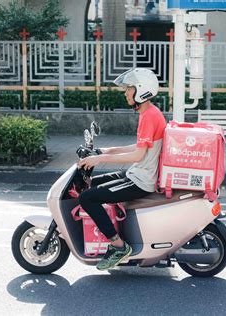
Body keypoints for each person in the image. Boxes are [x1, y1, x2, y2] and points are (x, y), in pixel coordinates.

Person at [77, 68, 167, 270]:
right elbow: (139, 147)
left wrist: (101, 159)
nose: (125, 93)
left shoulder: (149, 116)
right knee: (95, 183)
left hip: (141, 180)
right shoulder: (150, 113)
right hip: (138, 173)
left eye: (129, 89)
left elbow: (137, 155)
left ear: (141, 90)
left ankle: (118, 245)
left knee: (87, 198)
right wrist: (104, 150)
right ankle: (114, 228)